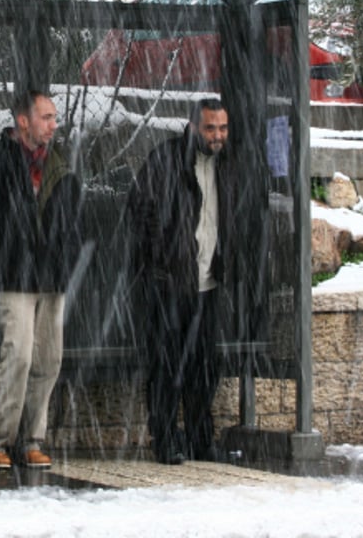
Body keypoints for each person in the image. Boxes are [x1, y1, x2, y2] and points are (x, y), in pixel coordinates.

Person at [0, 90, 83, 470]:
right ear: (23, 121)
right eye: (46, 117)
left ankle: (31, 439)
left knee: (48, 360)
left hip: (50, 277)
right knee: (18, 356)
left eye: (55, 118)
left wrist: (66, 260)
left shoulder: (58, 163)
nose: (53, 125)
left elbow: (72, 222)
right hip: (13, 276)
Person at [125, 97, 235, 464]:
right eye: (210, 128)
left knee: (205, 366)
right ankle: (167, 438)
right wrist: (161, 264)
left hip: (209, 282)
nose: (217, 136)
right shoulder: (166, 160)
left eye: (222, 128)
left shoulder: (228, 166)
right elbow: (141, 213)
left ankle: (201, 439)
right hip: (171, 282)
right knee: (167, 364)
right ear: (192, 127)